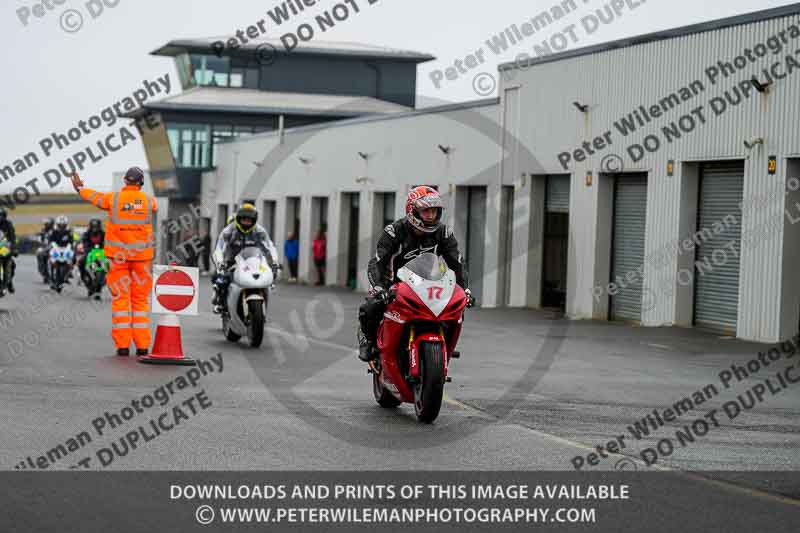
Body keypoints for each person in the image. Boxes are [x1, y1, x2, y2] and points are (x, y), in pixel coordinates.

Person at [357, 186, 475, 362]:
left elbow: (457, 262)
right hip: (396, 286)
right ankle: (368, 340)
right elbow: (377, 261)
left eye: (434, 211)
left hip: (430, 285)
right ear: (412, 211)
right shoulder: (395, 231)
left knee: (456, 309)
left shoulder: (443, 232)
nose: (431, 216)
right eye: (426, 211)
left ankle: (445, 345)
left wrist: (465, 289)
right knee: (371, 306)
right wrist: (380, 286)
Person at [71, 168, 157, 357]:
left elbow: (95, 197)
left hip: (118, 260)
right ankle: (142, 346)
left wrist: (80, 188)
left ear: (125, 181)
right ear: (141, 183)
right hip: (141, 260)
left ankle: (123, 346)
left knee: (121, 300)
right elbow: (154, 207)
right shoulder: (149, 201)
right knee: (140, 301)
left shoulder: (113, 199)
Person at [211, 203, 279, 314]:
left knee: (269, 277)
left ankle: (262, 308)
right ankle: (221, 302)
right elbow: (219, 248)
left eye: (249, 220)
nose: (246, 222)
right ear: (238, 219)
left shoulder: (260, 231)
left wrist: (275, 262)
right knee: (221, 279)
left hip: (252, 260)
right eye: (244, 220)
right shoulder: (229, 230)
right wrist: (220, 263)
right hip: (231, 260)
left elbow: (269, 246)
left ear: (254, 220)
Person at [77, 218, 105, 288]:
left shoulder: (104, 234)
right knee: (81, 261)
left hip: (101, 252)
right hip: (90, 252)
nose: (95, 229)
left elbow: (109, 242)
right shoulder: (86, 234)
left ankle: (108, 277)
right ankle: (82, 276)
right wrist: (86, 248)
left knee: (112, 263)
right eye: (93, 227)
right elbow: (84, 242)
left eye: (96, 227)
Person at [0, 207, 18, 296]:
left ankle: (9, 281)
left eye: (1, 215)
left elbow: (13, 237)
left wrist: (14, 248)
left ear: (4, 216)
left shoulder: (8, 224)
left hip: (4, 247)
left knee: (12, 265)